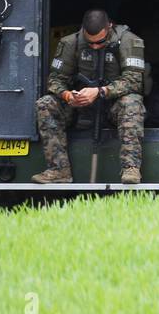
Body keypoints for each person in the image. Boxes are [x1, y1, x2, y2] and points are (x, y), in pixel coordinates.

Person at [30, 9, 146, 184]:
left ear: (110, 27)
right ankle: (59, 170)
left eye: (100, 42)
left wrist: (101, 91)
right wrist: (68, 95)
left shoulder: (129, 41)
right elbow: (55, 80)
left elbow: (134, 81)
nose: (95, 47)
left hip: (113, 105)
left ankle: (131, 168)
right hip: (80, 106)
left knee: (132, 103)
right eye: (90, 43)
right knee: (45, 104)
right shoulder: (71, 43)